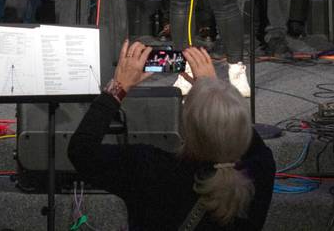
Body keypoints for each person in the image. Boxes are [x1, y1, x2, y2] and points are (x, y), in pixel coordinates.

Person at [68, 42, 276, 231]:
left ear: (187, 127)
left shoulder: (150, 169)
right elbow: (244, 136)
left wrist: (118, 88)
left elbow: (81, 151)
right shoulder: (259, 171)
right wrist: (212, 90)